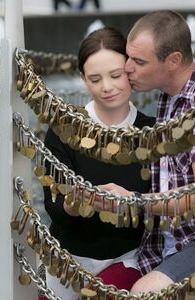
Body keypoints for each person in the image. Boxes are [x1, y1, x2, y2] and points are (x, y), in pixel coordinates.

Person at [98, 10, 195, 294]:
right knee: (96, 288)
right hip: (163, 242)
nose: (127, 68)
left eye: (139, 62)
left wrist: (133, 202)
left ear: (173, 60)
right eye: (129, 57)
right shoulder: (170, 95)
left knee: (144, 292)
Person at [41, 27, 155, 300]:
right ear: (82, 79)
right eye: (95, 78)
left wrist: (132, 200)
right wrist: (77, 202)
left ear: (130, 69)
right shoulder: (63, 128)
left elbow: (163, 206)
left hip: (128, 258)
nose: (107, 87)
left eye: (115, 75)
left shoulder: (153, 132)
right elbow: (53, 207)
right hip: (67, 259)